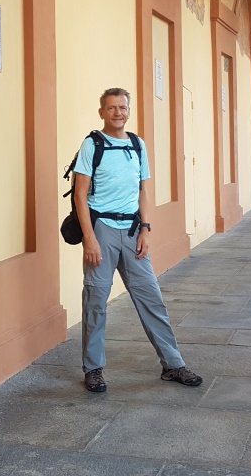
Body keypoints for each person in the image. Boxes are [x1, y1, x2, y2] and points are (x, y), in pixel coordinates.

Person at [73, 87, 203, 393]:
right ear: (102, 112)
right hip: (101, 230)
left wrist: (145, 229)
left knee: (151, 298)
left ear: (128, 111)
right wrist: (90, 239)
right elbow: (80, 194)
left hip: (132, 231)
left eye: (123, 107)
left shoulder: (137, 144)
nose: (118, 112)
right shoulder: (92, 144)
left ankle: (173, 364)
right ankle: (93, 369)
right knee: (95, 300)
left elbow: (143, 190)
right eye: (111, 107)